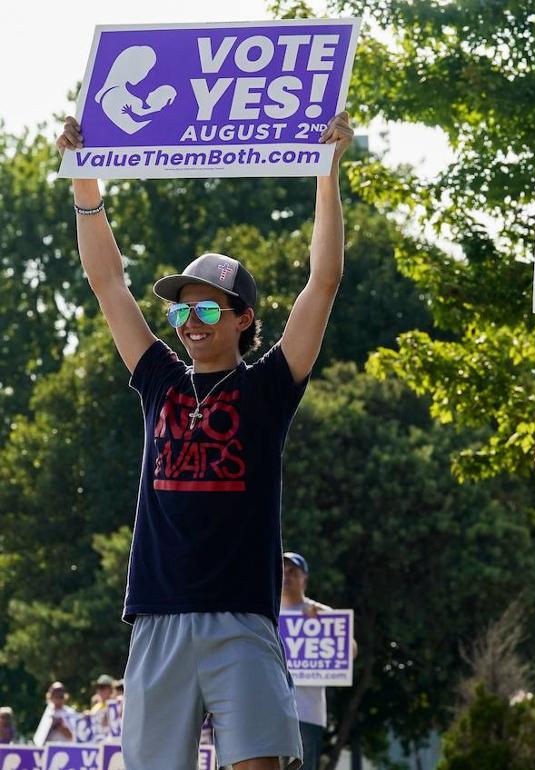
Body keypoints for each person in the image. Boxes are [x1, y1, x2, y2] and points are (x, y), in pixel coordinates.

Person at [56, 109, 354, 770]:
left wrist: (326, 175)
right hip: (158, 615)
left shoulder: (268, 385)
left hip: (241, 619)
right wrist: (84, 180)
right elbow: (108, 281)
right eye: (181, 309)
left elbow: (323, 282)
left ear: (243, 318)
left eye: (208, 307)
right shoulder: (158, 378)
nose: (190, 320)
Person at [280, 552, 358, 770]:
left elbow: (351, 651)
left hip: (308, 715)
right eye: (282, 570)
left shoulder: (319, 611)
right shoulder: (269, 613)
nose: (286, 575)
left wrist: (325, 618)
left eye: (292, 571)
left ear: (304, 578)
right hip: (270, 712)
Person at [33, 681, 77, 746]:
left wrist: (59, 725)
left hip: (65, 749)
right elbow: (40, 738)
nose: (57, 699)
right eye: (55, 696)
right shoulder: (48, 712)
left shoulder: (70, 713)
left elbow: (73, 737)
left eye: (60, 696)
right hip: (49, 748)